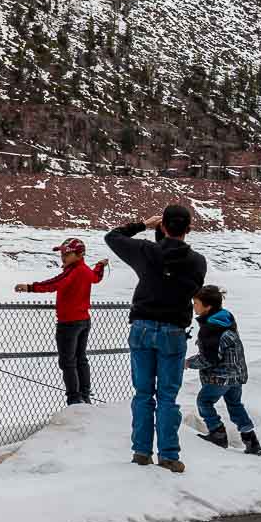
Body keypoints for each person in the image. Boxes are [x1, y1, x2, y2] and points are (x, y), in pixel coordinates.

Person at [106, 203, 207, 473]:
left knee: (142, 394)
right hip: (173, 332)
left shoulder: (147, 252)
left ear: (162, 226)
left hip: (142, 327)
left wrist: (143, 225)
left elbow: (113, 237)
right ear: (188, 228)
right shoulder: (197, 261)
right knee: (167, 397)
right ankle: (169, 455)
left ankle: (141, 451)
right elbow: (189, 284)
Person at [14, 237, 109, 404]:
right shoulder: (85, 270)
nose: (63, 256)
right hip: (83, 321)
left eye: (67, 253)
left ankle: (74, 399)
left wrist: (30, 287)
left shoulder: (74, 271)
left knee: (68, 362)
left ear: (79, 254)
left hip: (69, 323)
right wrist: (100, 265)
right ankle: (84, 396)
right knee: (80, 359)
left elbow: (55, 284)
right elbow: (96, 277)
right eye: (62, 253)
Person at [188, 285, 261, 455]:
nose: (194, 306)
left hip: (220, 377)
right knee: (235, 405)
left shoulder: (211, 328)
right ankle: (251, 441)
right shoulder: (226, 319)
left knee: (204, 402)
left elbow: (209, 358)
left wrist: (188, 363)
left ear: (208, 307)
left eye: (196, 303)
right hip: (236, 374)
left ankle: (217, 433)